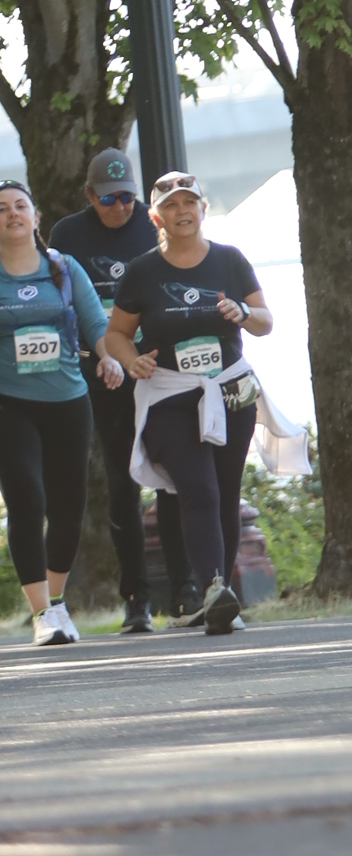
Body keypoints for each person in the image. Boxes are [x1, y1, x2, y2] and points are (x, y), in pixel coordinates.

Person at [101, 173, 273, 636]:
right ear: (157, 217)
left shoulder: (229, 260)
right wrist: (131, 360)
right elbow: (116, 334)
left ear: (203, 209)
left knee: (225, 491)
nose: (182, 212)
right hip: (170, 394)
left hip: (230, 391)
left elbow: (265, 322)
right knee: (199, 488)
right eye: (172, 206)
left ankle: (222, 597)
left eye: (189, 203)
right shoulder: (142, 271)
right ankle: (214, 589)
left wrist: (243, 312)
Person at [50, 145, 186, 631]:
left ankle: (186, 589)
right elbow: (61, 303)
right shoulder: (68, 235)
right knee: (123, 481)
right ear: (90, 196)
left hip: (156, 368)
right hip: (103, 372)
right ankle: (137, 599)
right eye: (108, 199)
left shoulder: (152, 228)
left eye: (127, 197)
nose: (119, 207)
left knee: (171, 475)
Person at [0, 179, 115, 645]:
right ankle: (41, 613)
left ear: (36, 216)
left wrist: (108, 357)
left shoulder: (63, 269)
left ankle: (57, 600)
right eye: (1, 208)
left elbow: (96, 323)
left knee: (69, 506)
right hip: (9, 402)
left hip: (68, 400)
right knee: (27, 497)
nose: (12, 214)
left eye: (19, 205)